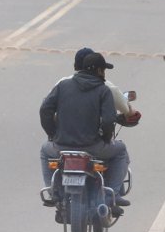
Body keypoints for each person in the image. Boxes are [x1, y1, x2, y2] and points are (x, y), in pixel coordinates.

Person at [40, 51, 131, 216]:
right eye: (103, 70)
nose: (104, 74)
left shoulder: (62, 86)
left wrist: (53, 134)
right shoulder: (103, 90)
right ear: (97, 71)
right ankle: (112, 195)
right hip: (93, 147)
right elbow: (108, 120)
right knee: (120, 151)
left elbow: (45, 110)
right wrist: (105, 139)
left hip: (61, 147)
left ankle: (54, 193)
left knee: (45, 150)